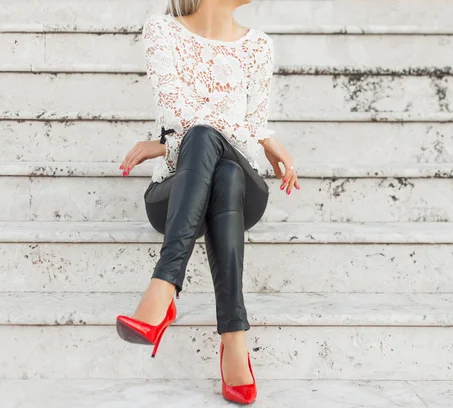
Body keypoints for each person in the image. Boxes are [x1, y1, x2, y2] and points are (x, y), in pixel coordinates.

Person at [114, 0, 299, 404]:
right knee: (211, 151)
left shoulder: (259, 46)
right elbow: (177, 110)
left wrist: (166, 144)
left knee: (218, 155)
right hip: (174, 193)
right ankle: (235, 340)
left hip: (245, 192)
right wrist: (262, 136)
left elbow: (242, 131)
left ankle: (163, 289)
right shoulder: (162, 31)